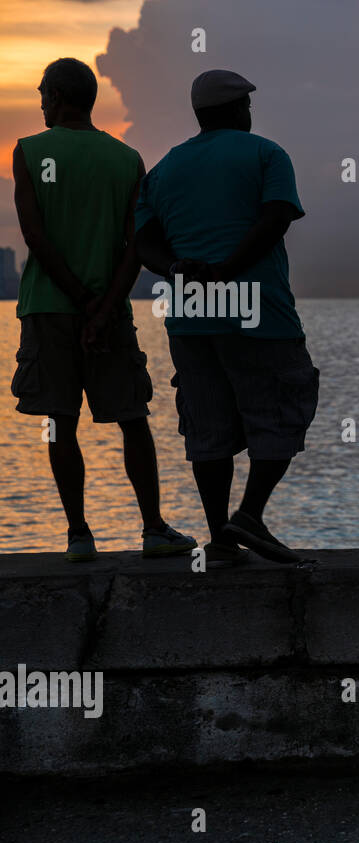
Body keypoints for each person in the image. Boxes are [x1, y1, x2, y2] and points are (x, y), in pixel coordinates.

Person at [10, 57, 195, 562]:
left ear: (61, 96)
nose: (41, 99)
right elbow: (136, 245)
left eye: (45, 91)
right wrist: (104, 306)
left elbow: (35, 237)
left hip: (49, 309)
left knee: (60, 421)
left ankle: (78, 536)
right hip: (111, 313)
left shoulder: (28, 152)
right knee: (132, 416)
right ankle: (154, 529)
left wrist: (79, 299)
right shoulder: (127, 159)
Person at [135, 69, 318, 566]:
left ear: (199, 115)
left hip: (191, 312)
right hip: (257, 309)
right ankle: (251, 515)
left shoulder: (165, 169)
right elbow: (276, 216)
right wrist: (229, 270)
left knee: (208, 424)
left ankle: (220, 538)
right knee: (282, 409)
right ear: (241, 110)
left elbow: (145, 241)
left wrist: (175, 268)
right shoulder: (267, 154)